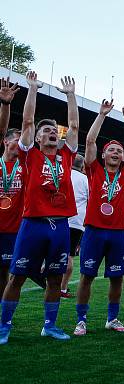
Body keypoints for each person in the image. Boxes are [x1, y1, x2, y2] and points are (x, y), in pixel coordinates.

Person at [0, 72, 79, 344]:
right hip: (33, 224)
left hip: (60, 226)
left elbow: (74, 126)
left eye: (53, 131)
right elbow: (28, 121)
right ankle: (4, 326)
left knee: (56, 278)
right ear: (37, 138)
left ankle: (50, 325)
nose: (51, 134)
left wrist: (70, 96)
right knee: (17, 276)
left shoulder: (66, 156)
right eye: (46, 131)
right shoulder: (29, 155)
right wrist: (32, 89)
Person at [73, 100, 124, 336]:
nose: (116, 153)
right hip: (94, 229)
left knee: (117, 277)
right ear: (103, 155)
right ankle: (81, 320)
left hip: (118, 232)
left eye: (119, 151)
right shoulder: (93, 169)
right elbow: (90, 141)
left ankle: (112, 318)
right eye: (111, 150)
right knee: (87, 276)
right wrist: (102, 115)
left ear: (123, 158)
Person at [0, 77, 22, 297]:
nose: (21, 143)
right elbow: (1, 130)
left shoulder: (26, 166)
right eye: (17, 139)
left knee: (6, 273)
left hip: (13, 230)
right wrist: (5, 105)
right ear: (6, 142)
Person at [62, 155, 88, 299]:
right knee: (69, 255)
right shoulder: (85, 179)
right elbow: (91, 201)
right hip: (76, 221)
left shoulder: (63, 173)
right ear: (83, 166)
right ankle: (63, 288)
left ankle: (43, 272)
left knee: (55, 251)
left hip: (59, 218)